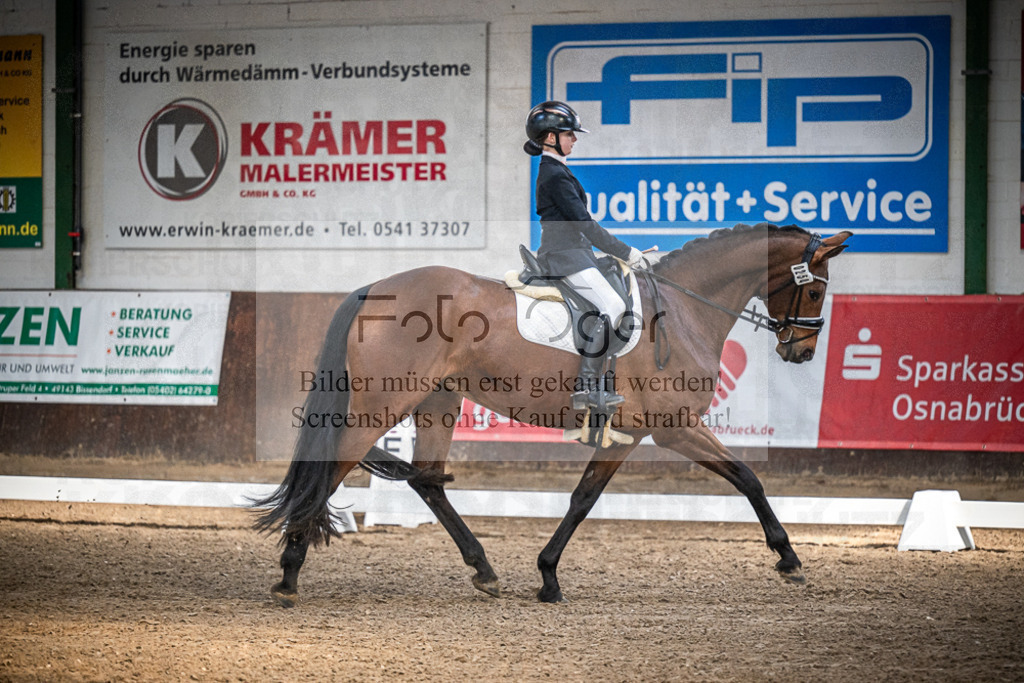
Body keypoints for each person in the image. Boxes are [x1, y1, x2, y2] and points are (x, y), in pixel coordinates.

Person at [524, 100, 646, 411]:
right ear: (551, 138)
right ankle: (587, 387)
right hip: (564, 256)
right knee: (614, 306)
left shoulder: (557, 171)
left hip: (574, 253)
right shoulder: (554, 174)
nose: (575, 139)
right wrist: (625, 251)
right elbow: (584, 225)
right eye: (570, 134)